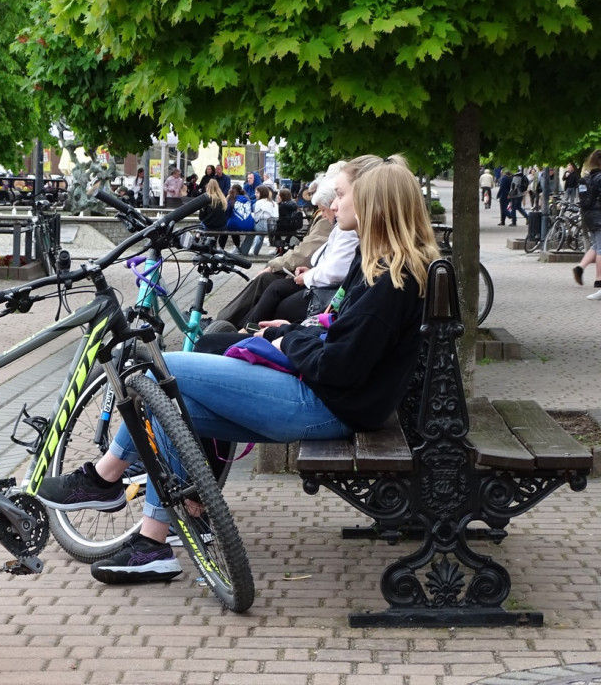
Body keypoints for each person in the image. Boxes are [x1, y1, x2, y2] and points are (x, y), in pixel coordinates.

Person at [37, 155, 440, 583]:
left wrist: (288, 339)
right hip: (334, 399)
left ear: (375, 206)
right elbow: (341, 341)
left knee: (163, 365)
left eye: (341, 196)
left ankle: (106, 477)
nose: (333, 204)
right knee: (173, 405)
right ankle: (152, 545)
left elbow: (338, 365)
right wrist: (296, 334)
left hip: (326, 406)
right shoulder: (383, 268)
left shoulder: (387, 282)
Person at [213, 176, 336, 328]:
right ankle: (231, 324)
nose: (310, 198)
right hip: (314, 276)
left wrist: (277, 266)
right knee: (270, 284)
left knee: (270, 284)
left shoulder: (333, 220)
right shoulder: (330, 218)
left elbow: (310, 253)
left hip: (320, 286)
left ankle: (236, 328)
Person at [574, 150, 601, 299]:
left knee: (596, 245)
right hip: (599, 215)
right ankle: (599, 280)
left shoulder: (588, 176)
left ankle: (580, 267)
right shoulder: (600, 177)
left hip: (589, 215)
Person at [239, 185, 278, 255]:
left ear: (262, 193)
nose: (255, 194)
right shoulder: (274, 203)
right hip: (273, 227)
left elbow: (256, 218)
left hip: (263, 227)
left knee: (251, 230)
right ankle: (255, 251)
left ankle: (243, 251)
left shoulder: (259, 203)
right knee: (260, 233)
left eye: (257, 193)